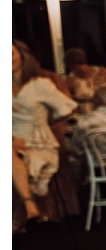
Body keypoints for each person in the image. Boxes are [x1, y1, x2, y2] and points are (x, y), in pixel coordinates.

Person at [12, 40, 78, 219]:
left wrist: (47, 121)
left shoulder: (40, 84)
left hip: (38, 142)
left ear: (22, 57)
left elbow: (67, 107)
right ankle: (27, 206)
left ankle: (21, 213)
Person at [64, 47, 106, 114]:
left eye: (77, 66)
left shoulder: (101, 72)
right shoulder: (70, 79)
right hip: (86, 113)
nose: (76, 70)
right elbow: (67, 98)